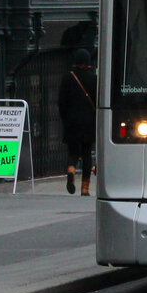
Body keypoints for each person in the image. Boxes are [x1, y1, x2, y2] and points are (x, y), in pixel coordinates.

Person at [58, 49, 97, 195]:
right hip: (88, 122)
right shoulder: (93, 79)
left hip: (71, 122)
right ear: (87, 62)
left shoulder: (67, 78)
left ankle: (71, 170)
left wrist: (65, 119)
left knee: (73, 152)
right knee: (87, 153)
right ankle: (85, 188)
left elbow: (61, 102)